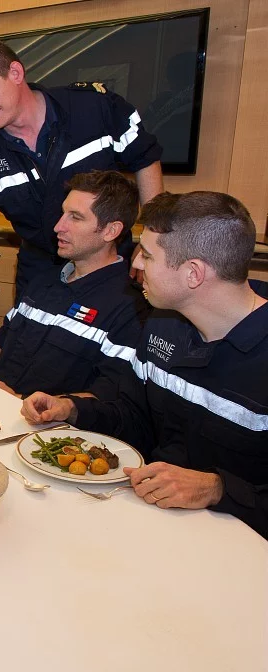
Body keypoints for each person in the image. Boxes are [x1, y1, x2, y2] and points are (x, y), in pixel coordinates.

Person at [22, 191, 268, 539]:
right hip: (152, 523)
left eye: (148, 256)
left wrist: (217, 489)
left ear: (193, 273)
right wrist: (73, 409)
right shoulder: (162, 324)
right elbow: (136, 417)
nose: (134, 265)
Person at [0, 39, 164, 333]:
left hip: (108, 267)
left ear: (15, 73)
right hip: (40, 273)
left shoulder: (93, 108)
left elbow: (145, 157)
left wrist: (153, 243)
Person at [0, 171, 149, 397]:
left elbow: (111, 397)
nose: (58, 227)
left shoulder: (128, 308)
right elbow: (1, 339)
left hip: (45, 428)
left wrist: (23, 402)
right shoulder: (43, 280)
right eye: (63, 213)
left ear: (111, 230)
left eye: (75, 217)